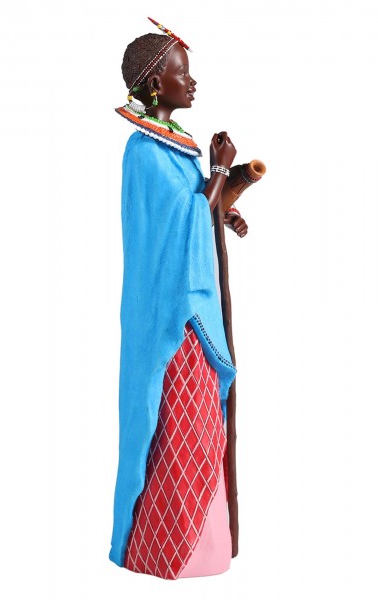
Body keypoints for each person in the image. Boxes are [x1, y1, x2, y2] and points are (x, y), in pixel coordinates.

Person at [110, 22, 248, 580]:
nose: (191, 83)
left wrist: (223, 207)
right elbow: (179, 222)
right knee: (178, 426)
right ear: (153, 84)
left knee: (203, 427)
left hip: (196, 311)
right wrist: (218, 173)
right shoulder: (144, 153)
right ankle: (164, 549)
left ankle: (204, 546)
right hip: (171, 316)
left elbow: (195, 210)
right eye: (181, 73)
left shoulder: (174, 146)